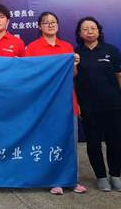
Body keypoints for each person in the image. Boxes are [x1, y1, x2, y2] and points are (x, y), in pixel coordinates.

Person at [24, 12, 87, 195]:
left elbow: (73, 76)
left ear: (58, 25)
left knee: (70, 141)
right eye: (46, 22)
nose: (50, 25)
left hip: (67, 101)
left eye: (53, 22)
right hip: (44, 103)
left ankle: (72, 179)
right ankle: (53, 179)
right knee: (48, 141)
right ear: (39, 26)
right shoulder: (32, 48)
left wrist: (74, 65)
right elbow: (29, 75)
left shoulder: (67, 47)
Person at [74, 17, 121, 192]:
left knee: (114, 142)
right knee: (93, 143)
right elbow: (73, 80)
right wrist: (77, 104)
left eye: (93, 28)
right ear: (80, 33)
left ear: (99, 31)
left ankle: (115, 176)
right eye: (85, 29)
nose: (89, 31)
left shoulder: (111, 51)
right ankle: (101, 177)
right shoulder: (76, 53)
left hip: (113, 105)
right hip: (89, 107)